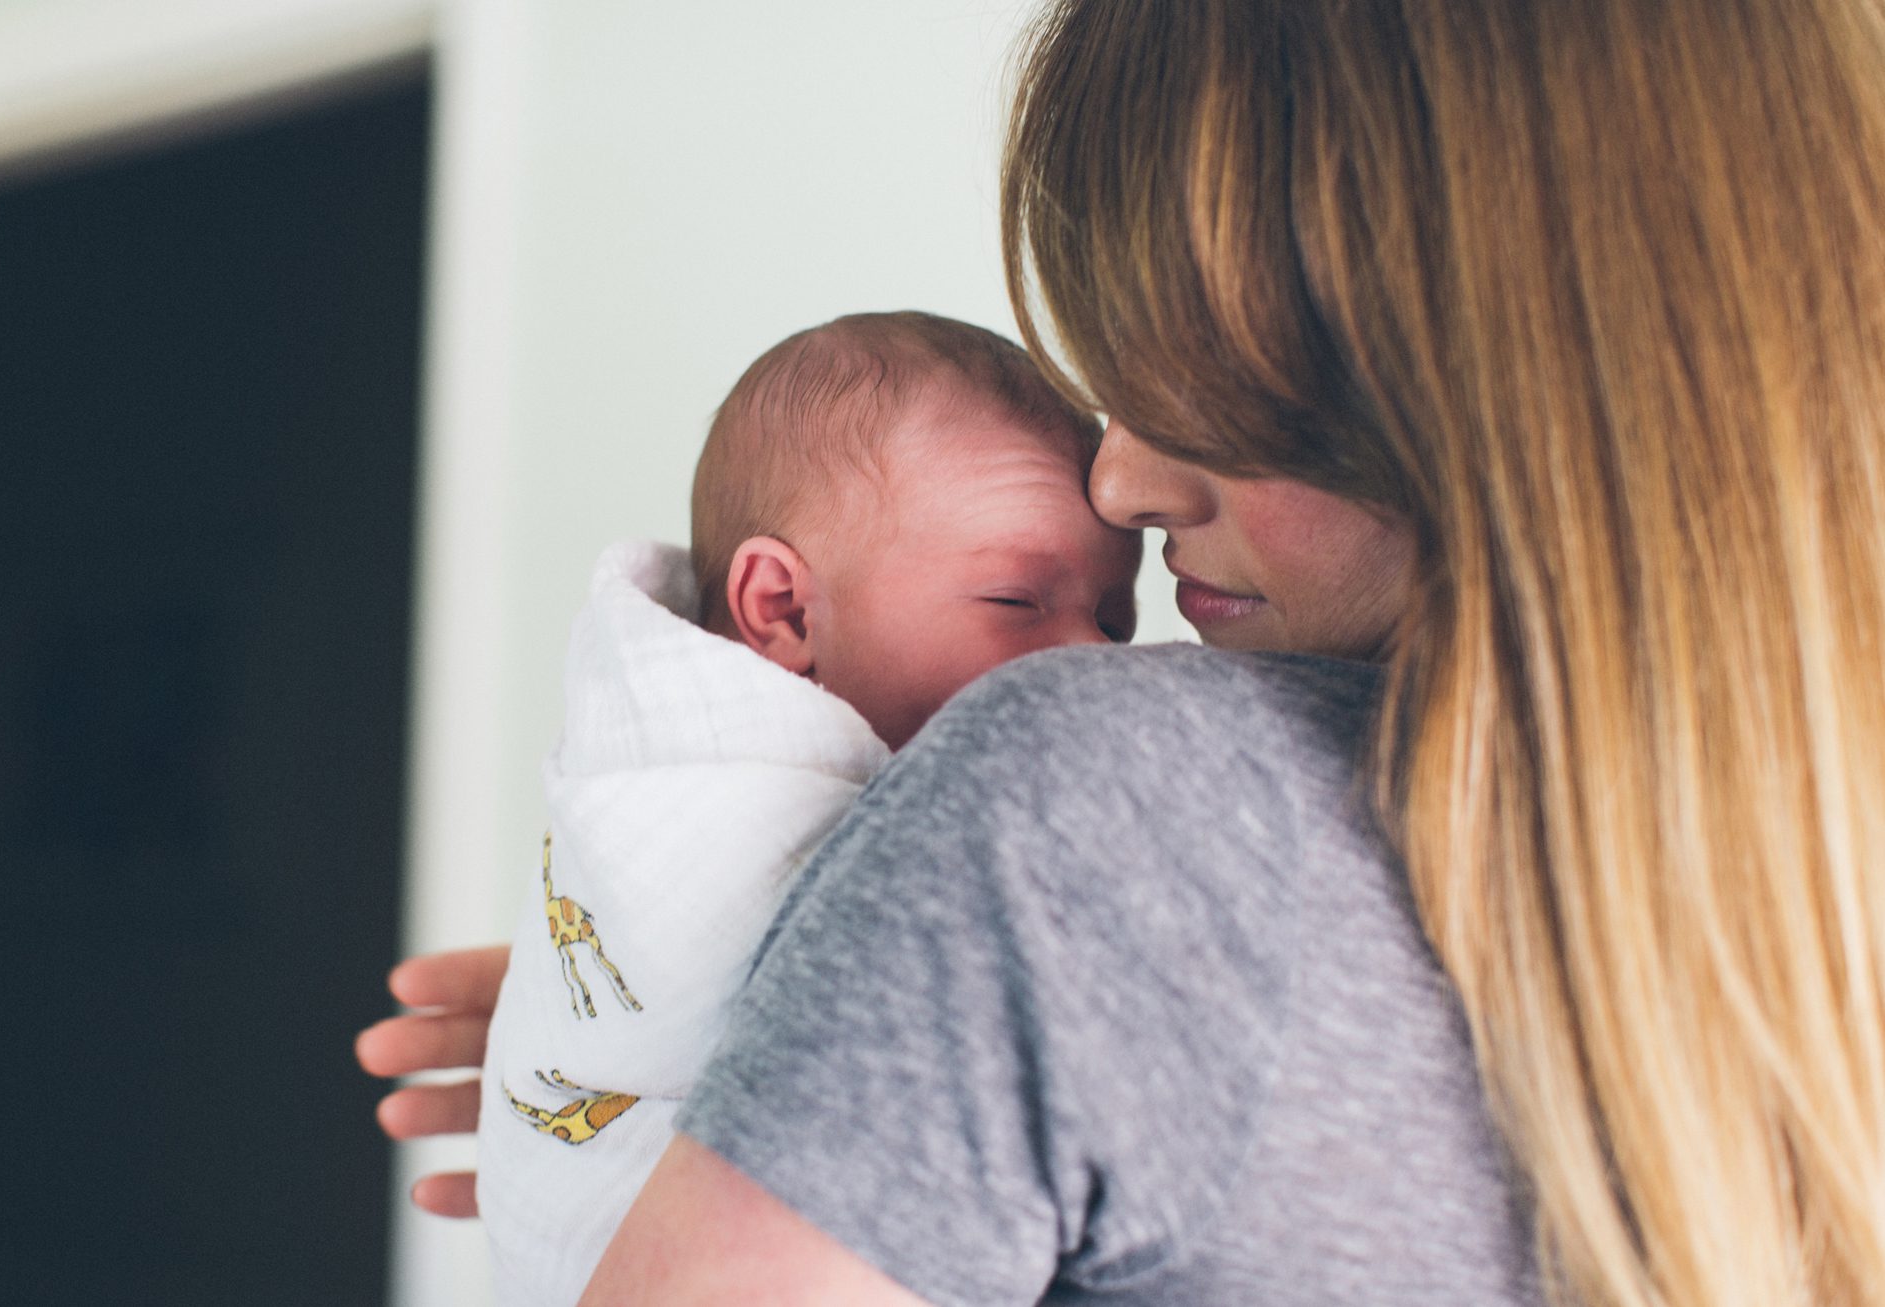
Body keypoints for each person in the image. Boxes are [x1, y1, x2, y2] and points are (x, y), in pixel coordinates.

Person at [359, 0, 1885, 1303]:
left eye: (1210, 379)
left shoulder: (1087, 810)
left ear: (1496, 370)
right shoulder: (1799, 980)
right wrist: (819, 1003)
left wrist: (900, 975)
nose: (1125, 484)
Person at [475, 311, 1140, 1305]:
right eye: (1015, 601)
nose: (1090, 657)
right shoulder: (703, 796)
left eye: (1114, 617)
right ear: (782, 609)